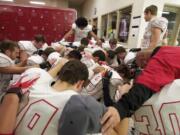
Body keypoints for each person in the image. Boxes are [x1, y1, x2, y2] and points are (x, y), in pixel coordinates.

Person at [101, 46, 180, 134]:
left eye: (144, 66)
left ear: (144, 60)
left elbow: (147, 84)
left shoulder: (165, 54)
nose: (145, 69)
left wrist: (121, 108)